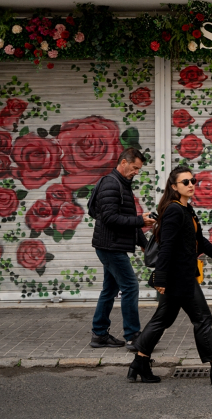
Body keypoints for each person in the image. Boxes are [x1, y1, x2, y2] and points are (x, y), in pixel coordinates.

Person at [127, 166, 212, 386]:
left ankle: (140, 362)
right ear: (174, 187)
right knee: (202, 319)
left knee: (163, 319)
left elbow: (199, 241)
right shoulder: (174, 210)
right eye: (185, 182)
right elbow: (167, 246)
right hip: (179, 278)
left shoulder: (186, 209)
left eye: (193, 181)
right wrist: (160, 278)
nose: (191, 185)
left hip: (181, 275)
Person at [90, 148, 156, 350]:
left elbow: (127, 221)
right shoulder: (112, 183)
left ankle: (99, 334)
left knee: (110, 290)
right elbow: (109, 218)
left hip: (111, 245)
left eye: (139, 169)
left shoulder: (122, 184)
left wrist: (145, 244)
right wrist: (139, 220)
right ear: (124, 162)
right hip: (110, 247)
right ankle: (133, 335)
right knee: (130, 286)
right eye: (135, 167)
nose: (137, 172)